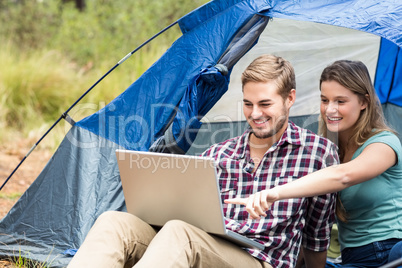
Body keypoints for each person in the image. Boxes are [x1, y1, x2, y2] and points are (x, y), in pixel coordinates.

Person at [67, 55, 339, 268]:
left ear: (290, 98)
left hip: (260, 259)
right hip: (202, 243)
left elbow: (316, 238)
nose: (255, 114)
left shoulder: (317, 153)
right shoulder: (219, 154)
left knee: (180, 233)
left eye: (265, 104)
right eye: (248, 104)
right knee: (114, 222)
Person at [226, 60, 402, 267]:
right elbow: (312, 227)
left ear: (364, 102)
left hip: (388, 253)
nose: (330, 109)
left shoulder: (384, 143)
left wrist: (274, 193)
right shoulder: (328, 150)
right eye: (325, 100)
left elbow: (343, 176)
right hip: (350, 259)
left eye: (340, 101)